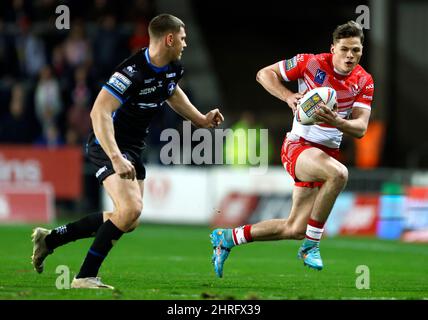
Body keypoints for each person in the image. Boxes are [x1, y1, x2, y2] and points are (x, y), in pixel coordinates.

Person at [31, 13, 224, 289]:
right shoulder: (131, 72)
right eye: (182, 38)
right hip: (107, 145)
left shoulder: (172, 67)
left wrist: (200, 119)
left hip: (133, 148)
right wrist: (115, 157)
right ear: (169, 38)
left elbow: (171, 91)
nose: (185, 43)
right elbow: (99, 111)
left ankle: (50, 239)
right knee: (130, 209)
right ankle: (84, 277)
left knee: (127, 219)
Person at [210, 21, 373, 277]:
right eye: (344, 49)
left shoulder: (364, 80)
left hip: (324, 155)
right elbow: (264, 74)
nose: (350, 55)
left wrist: (337, 121)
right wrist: (288, 96)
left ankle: (228, 238)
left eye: (356, 50)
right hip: (299, 146)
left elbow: (361, 128)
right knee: (339, 175)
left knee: (294, 228)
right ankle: (312, 245)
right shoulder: (310, 63)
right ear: (333, 48)